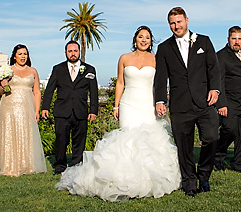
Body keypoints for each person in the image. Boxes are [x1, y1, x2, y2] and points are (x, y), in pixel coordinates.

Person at [56, 26, 181, 200]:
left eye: (147, 38)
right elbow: (120, 83)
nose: (144, 40)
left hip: (147, 104)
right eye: (140, 37)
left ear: (151, 41)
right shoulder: (124, 58)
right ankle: (123, 179)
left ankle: (148, 181)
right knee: (127, 141)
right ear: (135, 39)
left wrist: (160, 102)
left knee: (148, 141)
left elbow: (160, 83)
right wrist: (116, 106)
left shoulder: (156, 59)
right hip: (128, 104)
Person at [154, 6, 221, 197]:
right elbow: (161, 78)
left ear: (187, 21)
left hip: (204, 102)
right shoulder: (164, 48)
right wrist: (160, 100)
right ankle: (190, 183)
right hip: (179, 104)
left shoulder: (204, 41)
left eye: (179, 22)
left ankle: (204, 176)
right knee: (185, 147)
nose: (176, 26)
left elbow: (214, 69)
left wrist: (215, 90)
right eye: (172, 23)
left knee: (211, 138)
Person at [41, 41, 99, 174]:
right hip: (62, 111)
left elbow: (94, 92)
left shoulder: (90, 69)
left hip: (80, 111)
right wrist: (45, 107)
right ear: (65, 53)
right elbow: (50, 90)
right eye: (70, 51)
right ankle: (60, 166)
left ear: (79, 52)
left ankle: (76, 166)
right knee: (61, 139)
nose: (73, 54)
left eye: (75, 51)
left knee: (79, 140)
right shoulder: (58, 69)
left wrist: (93, 111)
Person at [0, 45, 47, 176]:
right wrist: (3, 85)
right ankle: (10, 166)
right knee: (10, 134)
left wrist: (37, 110)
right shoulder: (7, 70)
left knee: (27, 133)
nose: (23, 56)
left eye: (25, 54)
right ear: (14, 56)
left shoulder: (33, 71)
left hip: (27, 106)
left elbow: (37, 92)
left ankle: (27, 165)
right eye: (20, 54)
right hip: (9, 106)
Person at [213, 26, 241, 173]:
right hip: (230, 102)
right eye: (234, 38)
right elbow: (219, 81)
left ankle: (238, 163)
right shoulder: (221, 56)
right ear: (228, 39)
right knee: (229, 129)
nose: (236, 42)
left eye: (239, 39)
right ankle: (217, 156)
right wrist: (221, 104)